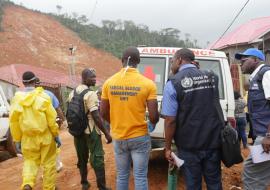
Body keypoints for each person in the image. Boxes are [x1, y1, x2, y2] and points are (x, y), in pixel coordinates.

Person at [162, 48, 223, 190]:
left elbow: (170, 120)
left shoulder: (173, 83)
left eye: (172, 61)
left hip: (189, 145)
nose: (172, 65)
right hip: (213, 141)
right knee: (214, 182)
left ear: (179, 60)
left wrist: (167, 148)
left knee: (193, 184)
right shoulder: (212, 76)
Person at [100, 46, 159, 190]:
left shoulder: (109, 83)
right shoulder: (148, 84)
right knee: (140, 176)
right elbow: (153, 116)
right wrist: (151, 124)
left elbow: (102, 112)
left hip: (119, 136)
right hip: (139, 136)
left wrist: (115, 122)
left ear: (122, 61)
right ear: (138, 61)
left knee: (122, 175)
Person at [9, 71, 61, 190]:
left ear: (23, 83)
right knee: (49, 163)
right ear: (35, 82)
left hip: (28, 139)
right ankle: (48, 187)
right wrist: (56, 135)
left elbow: (14, 122)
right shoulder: (43, 97)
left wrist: (17, 140)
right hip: (45, 137)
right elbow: (51, 119)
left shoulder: (16, 99)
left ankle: (28, 183)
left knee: (30, 161)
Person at [68, 68, 112, 190]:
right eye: (92, 77)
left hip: (77, 131)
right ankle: (102, 187)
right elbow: (96, 116)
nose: (94, 79)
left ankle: (84, 183)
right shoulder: (90, 94)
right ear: (84, 78)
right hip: (90, 131)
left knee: (82, 157)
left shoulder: (72, 93)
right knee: (97, 157)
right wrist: (107, 133)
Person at [235, 48, 270, 189]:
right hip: (262, 134)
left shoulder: (266, 73)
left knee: (251, 172)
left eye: (244, 60)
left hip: (266, 136)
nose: (241, 63)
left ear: (255, 60)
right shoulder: (256, 78)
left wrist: (268, 135)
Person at [35, 78, 64, 172]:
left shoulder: (26, 96)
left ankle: (46, 170)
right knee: (53, 146)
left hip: (34, 128)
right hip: (48, 126)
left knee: (41, 150)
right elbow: (57, 108)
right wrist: (63, 119)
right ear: (41, 84)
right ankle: (56, 165)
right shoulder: (48, 94)